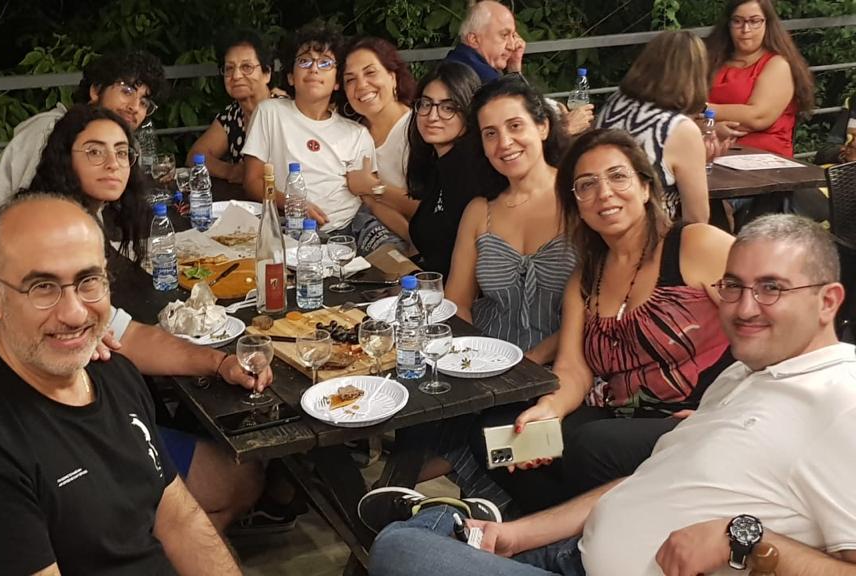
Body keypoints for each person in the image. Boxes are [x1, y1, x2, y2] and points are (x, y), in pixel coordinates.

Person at [364, 213, 856, 576]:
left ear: (828, 301)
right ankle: (457, 521)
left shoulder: (841, 399)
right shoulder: (745, 376)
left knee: (400, 549)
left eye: (771, 288)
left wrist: (743, 541)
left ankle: (439, 520)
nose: (746, 307)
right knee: (417, 534)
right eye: (734, 286)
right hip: (573, 552)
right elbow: (643, 482)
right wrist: (516, 534)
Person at [0, 102, 267, 531]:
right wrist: (50, 338)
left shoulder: (13, 248)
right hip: (16, 473)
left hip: (86, 433)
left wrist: (218, 363)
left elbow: (126, 334)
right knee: (223, 488)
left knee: (240, 476)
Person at [0, 193, 241, 575]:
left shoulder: (113, 373)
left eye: (88, 281)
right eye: (42, 287)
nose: (74, 313)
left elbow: (180, 520)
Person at [478, 129, 735, 514]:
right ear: (576, 204)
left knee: (591, 446)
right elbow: (572, 369)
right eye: (587, 185)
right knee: (499, 433)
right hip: (622, 416)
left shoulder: (696, 245)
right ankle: (566, 526)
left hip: (705, 415)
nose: (604, 193)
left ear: (645, 187)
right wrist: (550, 410)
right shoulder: (585, 278)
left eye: (618, 176)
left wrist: (731, 407)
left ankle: (563, 523)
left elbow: (773, 322)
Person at [445, 76, 575, 364]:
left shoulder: (579, 197)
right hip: (485, 357)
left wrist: (528, 363)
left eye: (515, 126)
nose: (504, 143)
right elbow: (457, 303)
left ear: (543, 127)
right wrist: (473, 359)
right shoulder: (480, 211)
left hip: (565, 363)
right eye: (490, 133)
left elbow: (597, 308)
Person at [241, 22, 377, 237]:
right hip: (291, 226)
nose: (314, 68)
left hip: (353, 225)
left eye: (325, 63)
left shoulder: (357, 133)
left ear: (337, 81)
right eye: (304, 61)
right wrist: (293, 204)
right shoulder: (270, 112)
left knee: (392, 253)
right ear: (291, 77)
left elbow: (369, 196)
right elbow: (252, 181)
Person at [0, 49, 167, 212]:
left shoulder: (126, 143)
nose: (134, 107)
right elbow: (29, 207)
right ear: (96, 90)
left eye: (144, 102)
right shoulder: (50, 131)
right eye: (127, 92)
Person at [595, 30, 712, 224]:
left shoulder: (615, 102)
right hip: (650, 231)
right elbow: (697, 218)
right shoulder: (677, 129)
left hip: (603, 220)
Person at [406, 62, 506, 279]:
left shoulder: (472, 169)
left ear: (469, 113)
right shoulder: (439, 163)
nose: (432, 116)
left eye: (448, 108)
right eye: (426, 104)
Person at [24, 104, 149, 264]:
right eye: (95, 152)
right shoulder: (59, 231)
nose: (113, 164)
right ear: (65, 158)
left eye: (121, 153)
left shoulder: (87, 211)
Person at [445, 1, 593, 136]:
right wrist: (565, 128)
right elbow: (521, 132)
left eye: (513, 36)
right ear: (474, 39)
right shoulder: (483, 80)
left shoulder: (459, 61)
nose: (512, 45)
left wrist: (514, 67)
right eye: (504, 35)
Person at [706, 0, 815, 158]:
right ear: (728, 24)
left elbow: (757, 117)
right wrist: (711, 128)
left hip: (764, 160)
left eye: (754, 21)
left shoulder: (778, 65)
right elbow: (685, 112)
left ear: (767, 24)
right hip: (709, 154)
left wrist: (704, 110)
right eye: (737, 21)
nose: (745, 29)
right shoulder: (710, 60)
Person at [339, 36, 418, 250]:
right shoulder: (351, 134)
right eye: (350, 79)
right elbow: (371, 204)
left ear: (393, 77)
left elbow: (434, 207)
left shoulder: (419, 128)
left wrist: (373, 187)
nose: (361, 85)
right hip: (373, 240)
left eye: (370, 72)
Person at [188, 29, 276, 184]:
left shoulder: (285, 111)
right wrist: (230, 171)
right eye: (229, 68)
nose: (236, 76)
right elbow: (195, 156)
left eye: (247, 67)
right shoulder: (232, 115)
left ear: (266, 73)